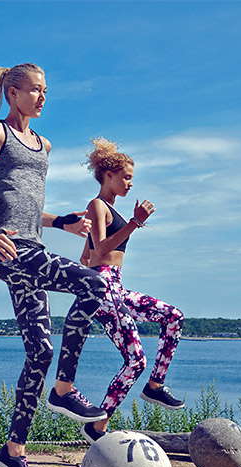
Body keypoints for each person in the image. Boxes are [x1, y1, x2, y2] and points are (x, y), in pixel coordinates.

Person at [0, 63, 108, 467]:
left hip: (32, 250)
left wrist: (62, 222)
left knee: (40, 351)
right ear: (13, 92)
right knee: (93, 284)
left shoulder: (44, 145)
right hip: (5, 250)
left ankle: (13, 451)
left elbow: (27, 206)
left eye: (45, 91)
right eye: (35, 89)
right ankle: (64, 390)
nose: (42, 97)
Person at [79, 137, 185, 445]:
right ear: (108, 175)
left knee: (173, 317)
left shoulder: (111, 210)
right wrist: (136, 222)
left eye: (132, 179)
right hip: (104, 288)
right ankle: (97, 426)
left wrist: (129, 224)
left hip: (116, 287)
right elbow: (101, 249)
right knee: (135, 360)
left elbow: (86, 256)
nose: (130, 183)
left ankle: (155, 386)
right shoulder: (97, 205)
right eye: (126, 177)